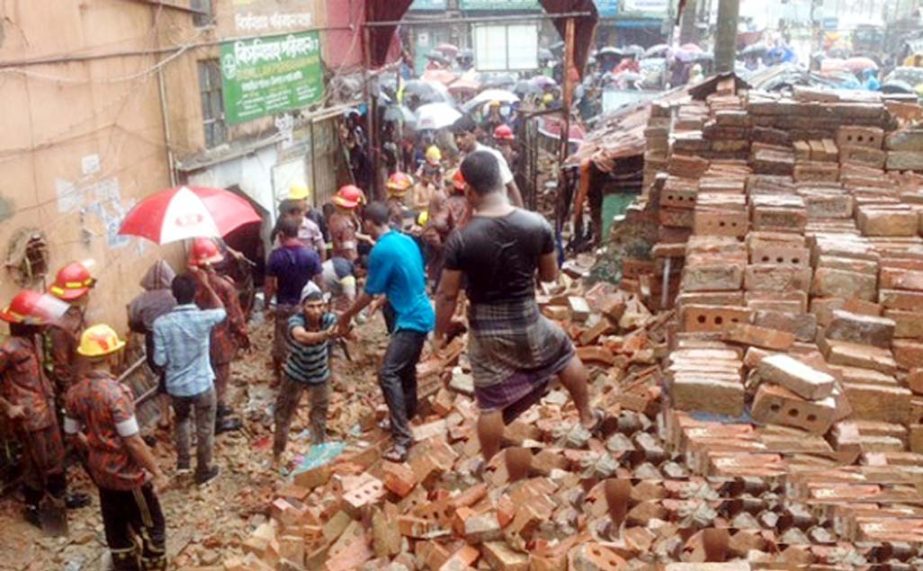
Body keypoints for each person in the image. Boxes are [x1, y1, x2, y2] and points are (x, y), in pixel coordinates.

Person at [433, 151, 599, 470]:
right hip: (527, 319)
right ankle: (587, 416)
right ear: (502, 183)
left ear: (469, 192)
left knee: (490, 402)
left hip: (485, 330)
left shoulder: (461, 240)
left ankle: (491, 462)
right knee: (564, 353)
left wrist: (439, 333)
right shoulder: (536, 224)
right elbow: (550, 276)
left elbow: (446, 295)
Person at [65, 324, 168, 571]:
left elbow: (71, 433)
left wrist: (94, 448)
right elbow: (132, 440)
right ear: (112, 355)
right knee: (152, 526)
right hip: (129, 475)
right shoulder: (117, 394)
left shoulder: (75, 393)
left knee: (117, 529)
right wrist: (157, 471)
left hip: (102, 474)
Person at [337, 202, 435, 462]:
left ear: (368, 223)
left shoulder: (381, 249)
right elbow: (406, 278)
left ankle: (402, 438)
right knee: (405, 369)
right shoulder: (405, 240)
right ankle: (408, 413)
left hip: (411, 319)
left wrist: (346, 316)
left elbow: (369, 292)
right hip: (422, 312)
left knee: (387, 372)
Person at [0, 291, 82, 528]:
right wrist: (8, 407)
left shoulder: (34, 341)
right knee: (35, 462)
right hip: (28, 416)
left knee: (55, 456)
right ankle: (34, 506)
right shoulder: (9, 349)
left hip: (46, 407)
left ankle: (60, 498)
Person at [152, 271, 225, 486]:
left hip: (176, 387)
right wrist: (208, 286)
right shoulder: (204, 318)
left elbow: (159, 360)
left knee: (181, 422)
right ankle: (204, 470)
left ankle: (183, 465)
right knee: (205, 426)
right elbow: (221, 311)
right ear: (195, 293)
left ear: (173, 295)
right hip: (202, 383)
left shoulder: (160, 324)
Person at [272, 290, 340, 469]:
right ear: (303, 308)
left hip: (320, 375)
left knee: (319, 417)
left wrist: (346, 327)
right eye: (311, 307)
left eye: (320, 306)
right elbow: (301, 336)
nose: (316, 311)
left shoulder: (329, 319)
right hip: (294, 374)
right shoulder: (296, 321)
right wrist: (326, 335)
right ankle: (277, 453)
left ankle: (317, 455)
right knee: (283, 415)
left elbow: (344, 329)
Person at [188, 239, 249, 432]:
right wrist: (243, 335)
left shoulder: (188, 286)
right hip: (220, 340)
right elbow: (235, 316)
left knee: (207, 379)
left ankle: (217, 410)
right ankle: (216, 419)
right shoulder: (223, 286)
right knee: (220, 379)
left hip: (198, 343)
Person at [265, 218, 324, 385]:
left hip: (284, 306)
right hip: (306, 305)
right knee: (306, 340)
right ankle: (308, 375)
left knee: (280, 343)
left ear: (281, 234)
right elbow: (320, 280)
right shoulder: (311, 255)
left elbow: (269, 285)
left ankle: (277, 375)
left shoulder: (275, 257)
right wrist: (321, 303)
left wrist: (267, 305)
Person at [127, 260, 176, 430]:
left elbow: (133, 323)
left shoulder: (139, 300)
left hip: (153, 341)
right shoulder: (175, 297)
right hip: (173, 340)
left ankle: (164, 417)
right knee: (176, 374)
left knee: (162, 377)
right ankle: (180, 411)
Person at [45, 261, 96, 407]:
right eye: (85, 291)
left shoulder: (76, 312)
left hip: (87, 380)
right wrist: (71, 395)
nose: (88, 293)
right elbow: (61, 367)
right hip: (77, 389)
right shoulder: (59, 326)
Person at [451, 115, 524, 208]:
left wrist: (521, 216)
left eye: (463, 135)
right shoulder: (463, 158)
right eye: (455, 136)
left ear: (474, 134)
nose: (458, 140)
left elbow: (511, 186)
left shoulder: (490, 155)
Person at [276, 184, 327, 261]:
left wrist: (319, 266)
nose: (294, 203)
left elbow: (322, 247)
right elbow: (276, 243)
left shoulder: (314, 218)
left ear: (305, 199)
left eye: (297, 200)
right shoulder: (284, 220)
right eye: (293, 201)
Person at [328, 185, 365, 263]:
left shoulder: (334, 217)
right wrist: (356, 264)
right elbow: (349, 249)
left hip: (336, 258)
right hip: (346, 261)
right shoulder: (347, 226)